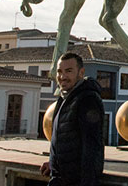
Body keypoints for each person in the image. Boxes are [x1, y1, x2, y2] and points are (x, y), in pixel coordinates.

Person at [40, 52, 104, 186]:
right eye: (59, 72)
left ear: (81, 73)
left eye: (68, 71)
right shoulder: (64, 98)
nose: (62, 77)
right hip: (58, 179)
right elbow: (65, 138)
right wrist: (53, 162)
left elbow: (92, 148)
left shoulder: (88, 100)